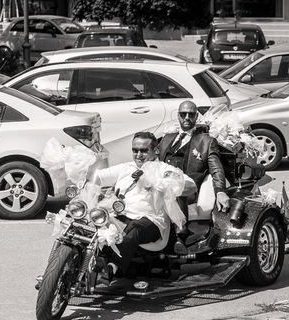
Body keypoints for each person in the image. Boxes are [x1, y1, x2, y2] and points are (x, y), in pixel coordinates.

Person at [95, 131, 196, 283]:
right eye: (135, 150)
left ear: (155, 151)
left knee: (134, 229)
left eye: (143, 150)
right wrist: (86, 184)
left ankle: (112, 267)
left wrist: (164, 183)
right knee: (90, 220)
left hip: (151, 222)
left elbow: (191, 186)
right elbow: (98, 177)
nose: (138, 155)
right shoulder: (126, 167)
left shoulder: (164, 169)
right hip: (120, 216)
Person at [157, 100, 231, 254]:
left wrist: (220, 191)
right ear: (178, 116)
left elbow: (216, 169)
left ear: (196, 116)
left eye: (191, 114)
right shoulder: (167, 139)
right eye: (183, 114)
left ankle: (180, 236)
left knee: (175, 189)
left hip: (187, 189)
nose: (186, 118)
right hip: (161, 184)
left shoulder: (206, 141)